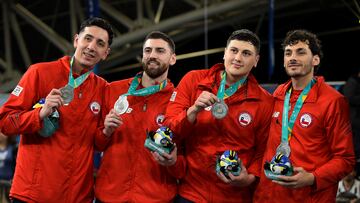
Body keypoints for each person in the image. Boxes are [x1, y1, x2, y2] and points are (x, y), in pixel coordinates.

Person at [0, 17, 113, 203]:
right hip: (33, 194)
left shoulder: (103, 89)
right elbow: (5, 121)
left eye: (100, 43)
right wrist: (39, 114)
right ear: (76, 40)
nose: (92, 47)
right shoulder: (39, 73)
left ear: (105, 53)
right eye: (88, 38)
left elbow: (98, 144)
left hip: (77, 196)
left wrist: (107, 131)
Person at [164, 29, 274, 202]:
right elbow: (170, 129)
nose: (238, 58)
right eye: (234, 51)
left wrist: (249, 178)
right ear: (224, 54)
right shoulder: (194, 80)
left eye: (246, 53)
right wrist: (193, 110)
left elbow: (263, 151)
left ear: (256, 61)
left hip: (235, 196)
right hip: (192, 193)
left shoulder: (264, 101)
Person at [254, 29, 355, 202]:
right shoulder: (278, 94)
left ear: (315, 60)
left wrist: (313, 177)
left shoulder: (333, 101)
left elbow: (345, 159)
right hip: (268, 195)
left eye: (301, 52)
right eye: (288, 53)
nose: (293, 57)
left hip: (308, 197)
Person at [94, 31, 177, 202]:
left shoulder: (178, 100)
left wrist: (173, 161)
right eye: (148, 50)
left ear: (172, 58)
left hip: (156, 197)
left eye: (160, 51)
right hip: (111, 194)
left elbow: (184, 155)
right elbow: (96, 143)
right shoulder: (113, 90)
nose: (152, 55)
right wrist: (106, 132)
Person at [343, 69, 360, 177]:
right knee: (354, 145)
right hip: (354, 120)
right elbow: (347, 97)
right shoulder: (352, 81)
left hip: (357, 120)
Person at [0, 132, 17, 203]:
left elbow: (16, 165)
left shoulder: (13, 148)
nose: (1, 135)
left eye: (2, 133)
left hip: (9, 183)